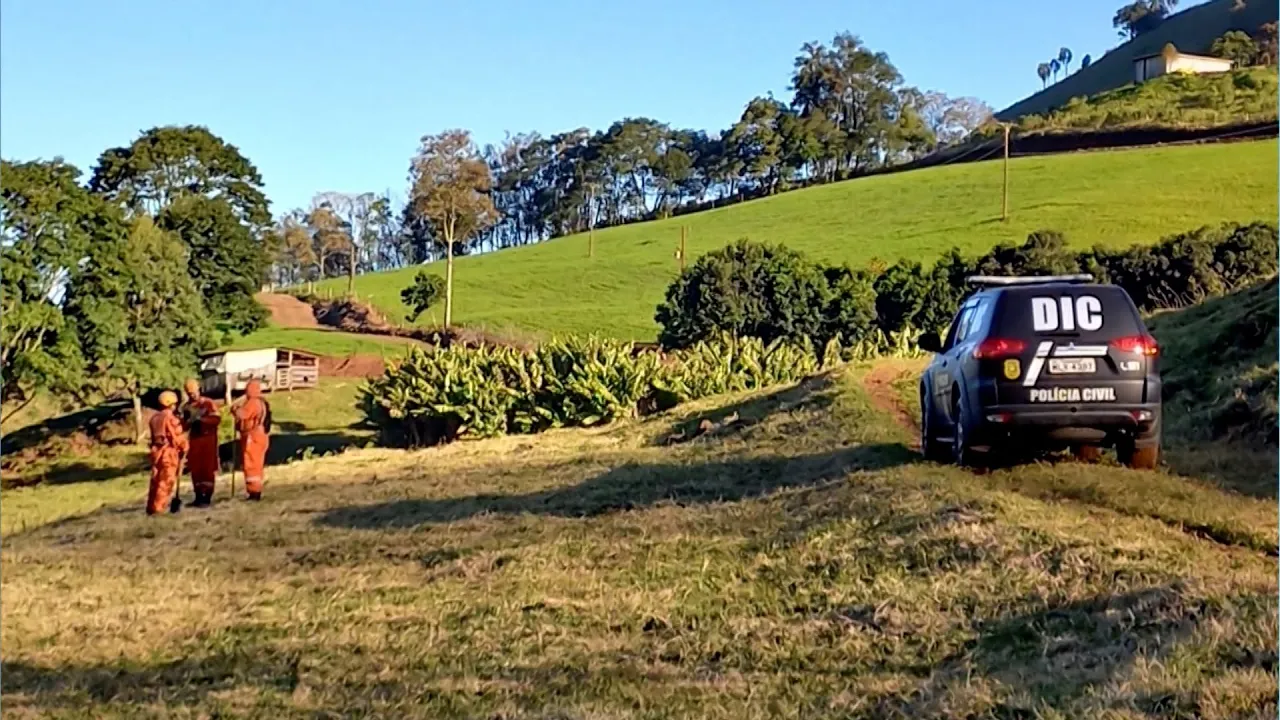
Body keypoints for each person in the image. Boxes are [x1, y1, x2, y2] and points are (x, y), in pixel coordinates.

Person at [180, 378, 222, 507]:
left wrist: (201, 419)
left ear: (199, 389)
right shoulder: (186, 407)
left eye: (194, 392)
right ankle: (198, 496)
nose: (192, 395)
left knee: (207, 467)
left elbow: (216, 419)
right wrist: (188, 421)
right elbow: (184, 426)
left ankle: (207, 496)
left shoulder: (208, 403)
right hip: (195, 439)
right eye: (190, 393)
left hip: (208, 438)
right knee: (196, 468)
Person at [147, 390, 189, 515]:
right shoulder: (171, 419)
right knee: (166, 481)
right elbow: (176, 436)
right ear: (171, 404)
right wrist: (185, 447)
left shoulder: (154, 418)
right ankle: (158, 509)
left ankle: (151, 507)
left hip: (156, 452)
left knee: (155, 480)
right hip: (168, 453)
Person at [232, 379, 270, 501]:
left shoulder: (253, 402)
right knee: (257, 464)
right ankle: (255, 490)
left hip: (253, 437)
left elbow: (243, 414)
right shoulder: (262, 402)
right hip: (260, 436)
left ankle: (254, 492)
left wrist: (235, 410)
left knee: (251, 464)